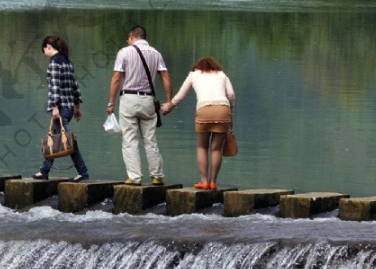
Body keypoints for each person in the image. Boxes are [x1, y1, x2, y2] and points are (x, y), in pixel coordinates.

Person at [106, 25, 171, 186]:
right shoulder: (156, 54)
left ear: (132, 37)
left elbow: (116, 79)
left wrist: (111, 102)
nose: (128, 42)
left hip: (128, 99)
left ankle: (135, 177)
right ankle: (157, 176)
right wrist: (169, 101)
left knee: (129, 139)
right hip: (148, 100)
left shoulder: (124, 53)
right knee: (150, 139)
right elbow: (165, 78)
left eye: (128, 39)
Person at [162, 57, 236, 189]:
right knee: (216, 148)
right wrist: (230, 108)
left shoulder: (194, 74)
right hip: (223, 110)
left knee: (202, 147)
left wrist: (169, 106)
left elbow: (181, 95)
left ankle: (204, 181)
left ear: (197, 67)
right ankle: (213, 182)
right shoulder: (221, 74)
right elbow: (230, 95)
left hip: (204, 110)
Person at [34, 35, 90, 182]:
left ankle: (83, 172)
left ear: (48, 46)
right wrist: (77, 107)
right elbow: (75, 86)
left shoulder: (54, 63)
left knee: (67, 141)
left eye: (44, 49)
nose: (44, 52)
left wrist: (54, 107)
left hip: (60, 107)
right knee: (57, 138)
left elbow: (54, 87)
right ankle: (44, 170)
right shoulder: (67, 62)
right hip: (69, 106)